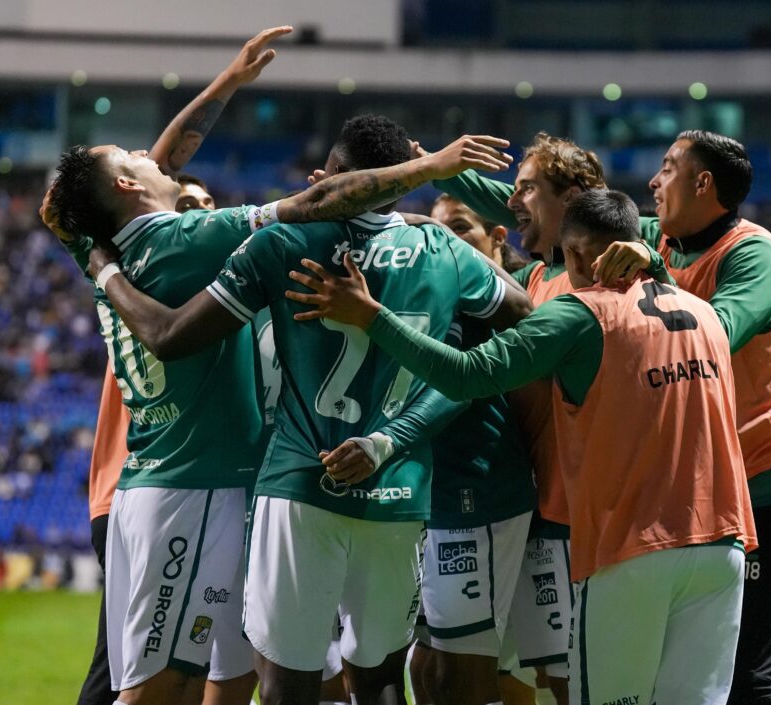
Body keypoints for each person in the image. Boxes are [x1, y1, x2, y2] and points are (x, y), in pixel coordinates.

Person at [60, 115, 529, 705]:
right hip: (399, 493)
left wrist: (97, 264)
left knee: (278, 682)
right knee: (379, 679)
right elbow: (522, 321)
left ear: (332, 175)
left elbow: (175, 333)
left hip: (291, 487)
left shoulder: (278, 245)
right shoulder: (443, 251)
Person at [285, 188, 758, 705]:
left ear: (575, 254)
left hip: (633, 547)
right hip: (722, 544)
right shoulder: (706, 314)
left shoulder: (581, 313)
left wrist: (371, 316)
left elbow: (467, 374)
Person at [69, 26, 293, 705]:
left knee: (215, 672)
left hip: (180, 485)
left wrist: (227, 83)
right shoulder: (175, 260)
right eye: (189, 205)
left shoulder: (123, 256)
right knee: (138, 679)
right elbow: (149, 176)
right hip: (169, 482)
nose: (199, 208)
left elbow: (146, 178)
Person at [425, 134, 671, 703]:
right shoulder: (536, 279)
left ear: (579, 195)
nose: (513, 200)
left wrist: (651, 258)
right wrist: (424, 166)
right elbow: (492, 202)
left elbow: (660, 256)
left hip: (583, 516)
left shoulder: (621, 275)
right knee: (516, 671)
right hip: (534, 504)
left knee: (576, 679)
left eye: (528, 188)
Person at [593, 130, 771, 705]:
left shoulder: (754, 254)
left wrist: (651, 264)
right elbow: (568, 218)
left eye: (668, 168)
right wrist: (434, 175)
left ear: (703, 183)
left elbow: (713, 335)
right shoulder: (666, 240)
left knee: (752, 677)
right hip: (742, 488)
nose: (652, 181)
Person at [407, 195, 536, 705]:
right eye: (436, 233)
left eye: (458, 229)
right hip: (426, 492)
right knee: (427, 666)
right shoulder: (441, 298)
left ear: (497, 238)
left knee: (473, 672)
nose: (444, 242)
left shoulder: (510, 300)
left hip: (480, 489)